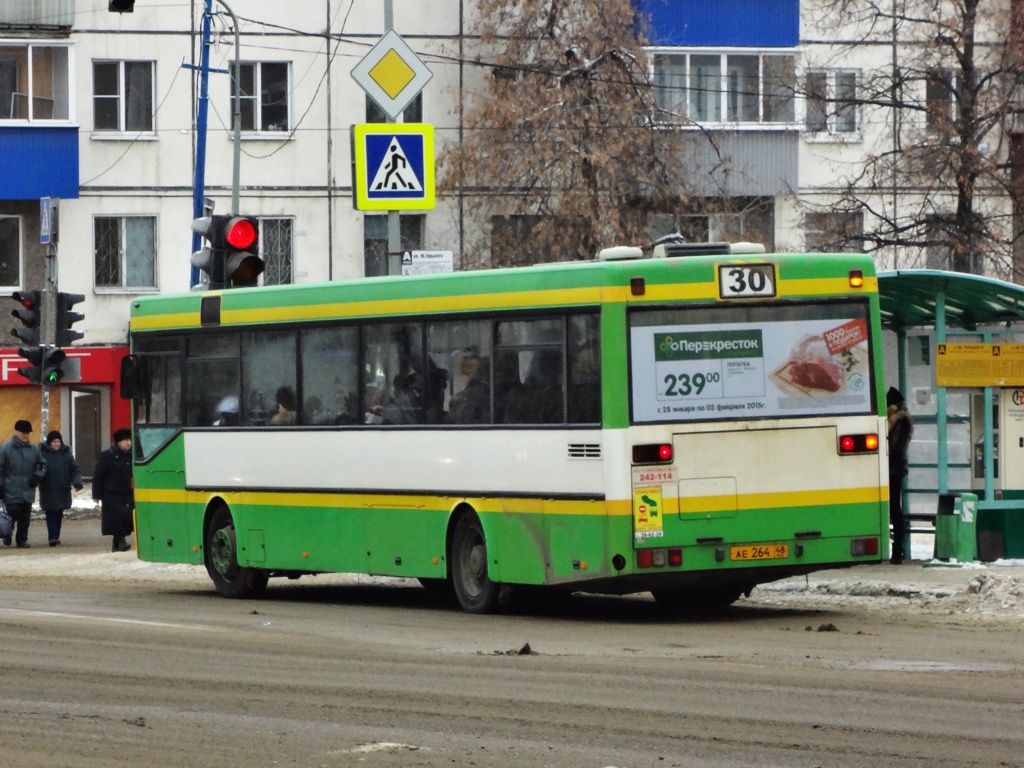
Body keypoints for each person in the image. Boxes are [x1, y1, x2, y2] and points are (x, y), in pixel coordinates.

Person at [0, 419, 46, 548]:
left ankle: (22, 540)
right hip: (11, 487)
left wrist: (37, 477)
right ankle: (7, 533)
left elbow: (42, 464)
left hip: (28, 488)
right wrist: (0, 485)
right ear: (17, 432)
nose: (25, 435)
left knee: (25, 517)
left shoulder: (34, 448)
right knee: (13, 513)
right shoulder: (6, 448)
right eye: (23, 432)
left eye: (27, 433)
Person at [38, 430, 84, 547]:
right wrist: (36, 479)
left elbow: (75, 469)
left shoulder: (66, 455)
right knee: (51, 513)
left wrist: (77, 482)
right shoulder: (42, 454)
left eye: (58, 441)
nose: (56, 444)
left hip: (63, 488)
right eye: (54, 441)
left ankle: (55, 536)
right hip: (48, 488)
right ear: (49, 442)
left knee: (59, 513)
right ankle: (52, 537)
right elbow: (38, 469)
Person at [93, 427, 135, 553]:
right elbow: (98, 475)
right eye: (125, 440)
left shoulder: (132, 455)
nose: (128, 443)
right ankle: (120, 542)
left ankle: (116, 544)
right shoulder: (108, 455)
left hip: (128, 492)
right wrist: (96, 494)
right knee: (117, 518)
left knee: (127, 518)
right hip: (112, 493)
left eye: (129, 440)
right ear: (118, 442)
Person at [887, 386, 913, 565]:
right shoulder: (898, 420)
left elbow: (893, 447)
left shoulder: (898, 421)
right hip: (894, 469)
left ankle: (898, 551)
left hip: (893, 470)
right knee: (894, 508)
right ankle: (897, 551)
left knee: (895, 509)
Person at [447, 353, 490, 424]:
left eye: (463, 374)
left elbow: (458, 421)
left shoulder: (462, 398)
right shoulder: (491, 393)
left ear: (468, 375)